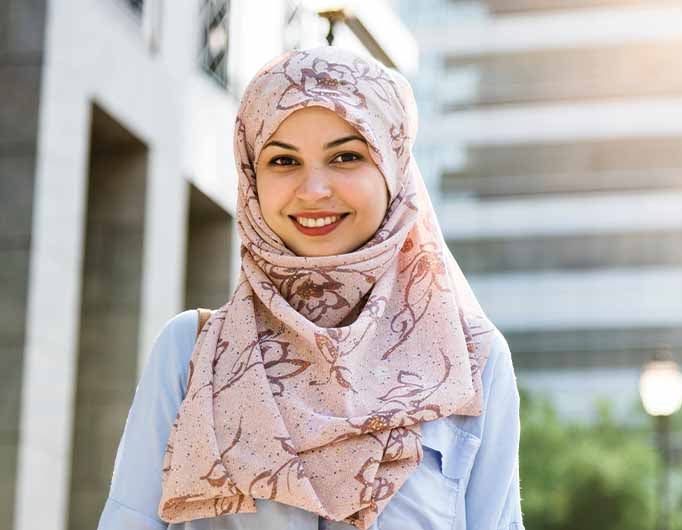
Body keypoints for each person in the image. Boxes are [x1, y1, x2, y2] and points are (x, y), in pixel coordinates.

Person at [96, 46, 525, 530]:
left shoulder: (470, 362)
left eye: (346, 156)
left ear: (394, 170)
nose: (314, 189)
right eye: (283, 161)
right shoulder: (194, 354)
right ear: (252, 180)